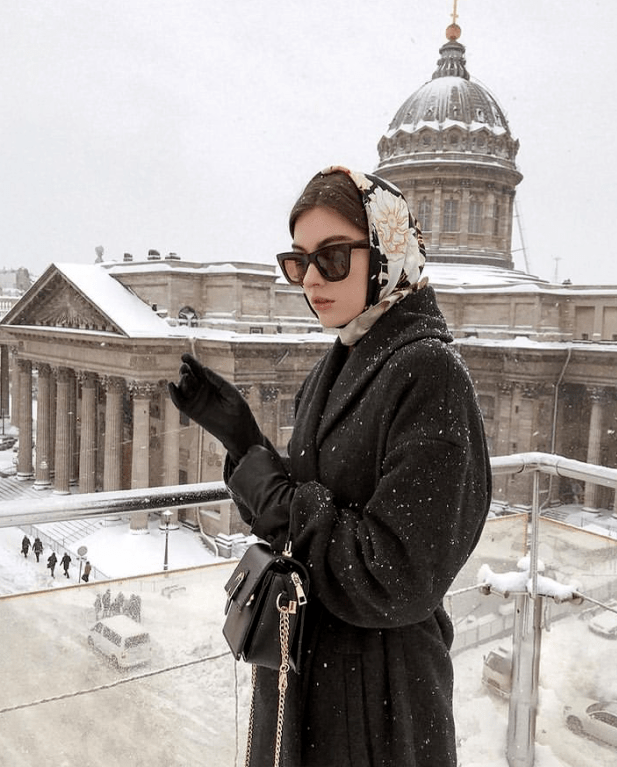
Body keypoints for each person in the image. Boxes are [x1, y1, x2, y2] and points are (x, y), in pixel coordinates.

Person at [169, 166, 491, 767]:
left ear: (387, 252)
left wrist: (271, 483)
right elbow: (308, 507)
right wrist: (245, 444)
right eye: (299, 261)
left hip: (378, 700)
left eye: (334, 257)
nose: (311, 279)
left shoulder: (429, 375)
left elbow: (395, 577)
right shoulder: (343, 356)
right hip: (312, 670)